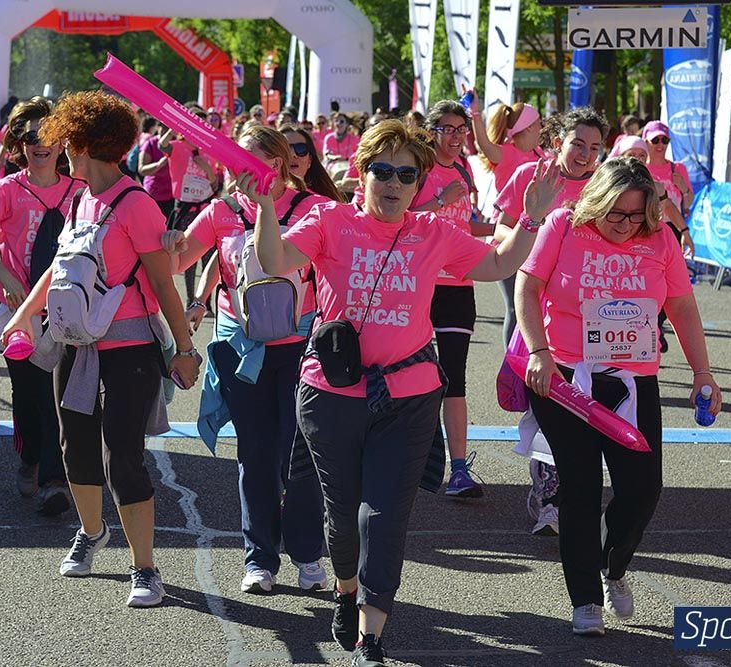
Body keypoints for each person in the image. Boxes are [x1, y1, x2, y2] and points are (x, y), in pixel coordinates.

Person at [251, 119, 563, 665]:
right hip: (331, 394)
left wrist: (530, 216)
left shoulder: (431, 232)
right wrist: (265, 208)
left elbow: (498, 263)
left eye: (406, 174)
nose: (393, 183)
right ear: (361, 171)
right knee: (343, 513)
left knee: (385, 515)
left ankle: (373, 631)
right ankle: (346, 590)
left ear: (419, 184)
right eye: (382, 170)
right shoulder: (330, 220)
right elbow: (274, 263)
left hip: (410, 395)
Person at [1, 91, 201, 608]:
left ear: (85, 143)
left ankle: (145, 569)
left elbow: (162, 284)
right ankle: (92, 533)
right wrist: (24, 316)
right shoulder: (80, 198)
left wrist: (183, 347)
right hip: (73, 344)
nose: (62, 150)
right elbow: (60, 266)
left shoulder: (137, 204)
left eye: (67, 141)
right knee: (74, 447)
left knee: (124, 457)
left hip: (129, 349)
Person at [516, 156, 720, 637]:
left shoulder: (659, 237)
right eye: (617, 215)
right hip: (564, 378)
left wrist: (703, 372)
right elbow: (527, 287)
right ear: (596, 202)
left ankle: (614, 566)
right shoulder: (563, 225)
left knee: (642, 489)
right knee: (580, 488)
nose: (628, 226)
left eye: (637, 216)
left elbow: (683, 307)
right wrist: (539, 351)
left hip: (631, 379)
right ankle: (584, 599)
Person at [162, 125, 331, 597]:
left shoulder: (312, 208)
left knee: (302, 456)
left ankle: (307, 554)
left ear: (275, 164)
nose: (238, 172)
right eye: (234, 163)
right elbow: (178, 262)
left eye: (249, 163)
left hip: (300, 346)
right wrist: (169, 239)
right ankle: (260, 558)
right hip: (243, 351)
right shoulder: (221, 211)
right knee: (255, 455)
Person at [0, 96, 82, 516]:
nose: (40, 142)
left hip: (69, 312)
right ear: (19, 142)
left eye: (48, 134)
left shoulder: (82, 191)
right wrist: (8, 278)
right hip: (20, 315)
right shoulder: (8, 189)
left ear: (62, 140)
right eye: (30, 135)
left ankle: (54, 480)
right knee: (29, 396)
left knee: (62, 393)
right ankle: (31, 457)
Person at [411, 100, 493, 498]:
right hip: (419, 284)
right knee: (410, 375)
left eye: (462, 128)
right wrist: (440, 199)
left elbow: (465, 227)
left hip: (459, 285)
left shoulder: (463, 169)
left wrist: (511, 228)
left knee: (454, 377)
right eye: (448, 128)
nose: (457, 135)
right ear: (432, 131)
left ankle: (458, 470)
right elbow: (403, 216)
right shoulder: (420, 169)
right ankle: (404, 461)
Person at [492, 107, 607, 346]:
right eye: (578, 144)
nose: (586, 154)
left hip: (572, 272)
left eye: (594, 148)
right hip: (521, 262)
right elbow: (499, 230)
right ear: (558, 142)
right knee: (520, 313)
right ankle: (515, 370)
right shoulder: (530, 174)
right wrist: (530, 239)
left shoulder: (602, 184)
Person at [641, 120, 697, 352]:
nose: (661, 144)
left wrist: (683, 187)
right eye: (656, 140)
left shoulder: (677, 168)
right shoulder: (639, 167)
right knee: (648, 279)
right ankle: (649, 325)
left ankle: (657, 324)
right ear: (646, 141)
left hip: (672, 227)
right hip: (645, 227)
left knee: (669, 281)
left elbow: (688, 202)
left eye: (665, 140)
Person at [159, 110, 221, 305]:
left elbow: (214, 184)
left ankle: (205, 301)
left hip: (204, 206)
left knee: (208, 254)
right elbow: (162, 145)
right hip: (184, 207)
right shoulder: (177, 146)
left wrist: (207, 168)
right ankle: (188, 297)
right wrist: (175, 126)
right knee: (186, 254)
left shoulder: (208, 150)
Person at [611, 135, 695, 260]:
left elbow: (668, 206)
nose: (637, 159)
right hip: (614, 246)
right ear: (621, 157)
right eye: (632, 155)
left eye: (642, 155)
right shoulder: (610, 184)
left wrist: (685, 231)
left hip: (643, 247)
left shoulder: (655, 187)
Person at [139, 122, 175, 218]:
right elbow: (142, 169)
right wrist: (158, 165)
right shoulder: (150, 143)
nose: (166, 129)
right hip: (154, 194)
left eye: (169, 127)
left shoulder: (176, 143)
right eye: (163, 126)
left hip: (172, 195)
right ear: (157, 127)